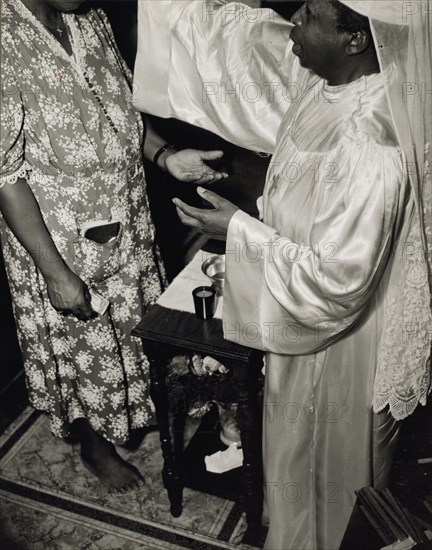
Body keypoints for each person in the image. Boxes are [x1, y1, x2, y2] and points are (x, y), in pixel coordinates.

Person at [135, 1, 432, 548]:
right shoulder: (329, 85)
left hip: (342, 342)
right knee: (295, 453)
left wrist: (241, 231)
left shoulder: (374, 144)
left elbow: (338, 282)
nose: (293, 17)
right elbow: (254, 44)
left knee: (328, 472)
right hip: (302, 319)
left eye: (312, 14)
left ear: (355, 41)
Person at [0, 0, 228, 494]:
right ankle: (94, 445)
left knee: (130, 336)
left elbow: (121, 109)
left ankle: (127, 412)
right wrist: (55, 272)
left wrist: (167, 157)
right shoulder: (5, 36)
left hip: (127, 218)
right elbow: (5, 176)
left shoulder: (87, 15)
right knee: (82, 348)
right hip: (56, 238)